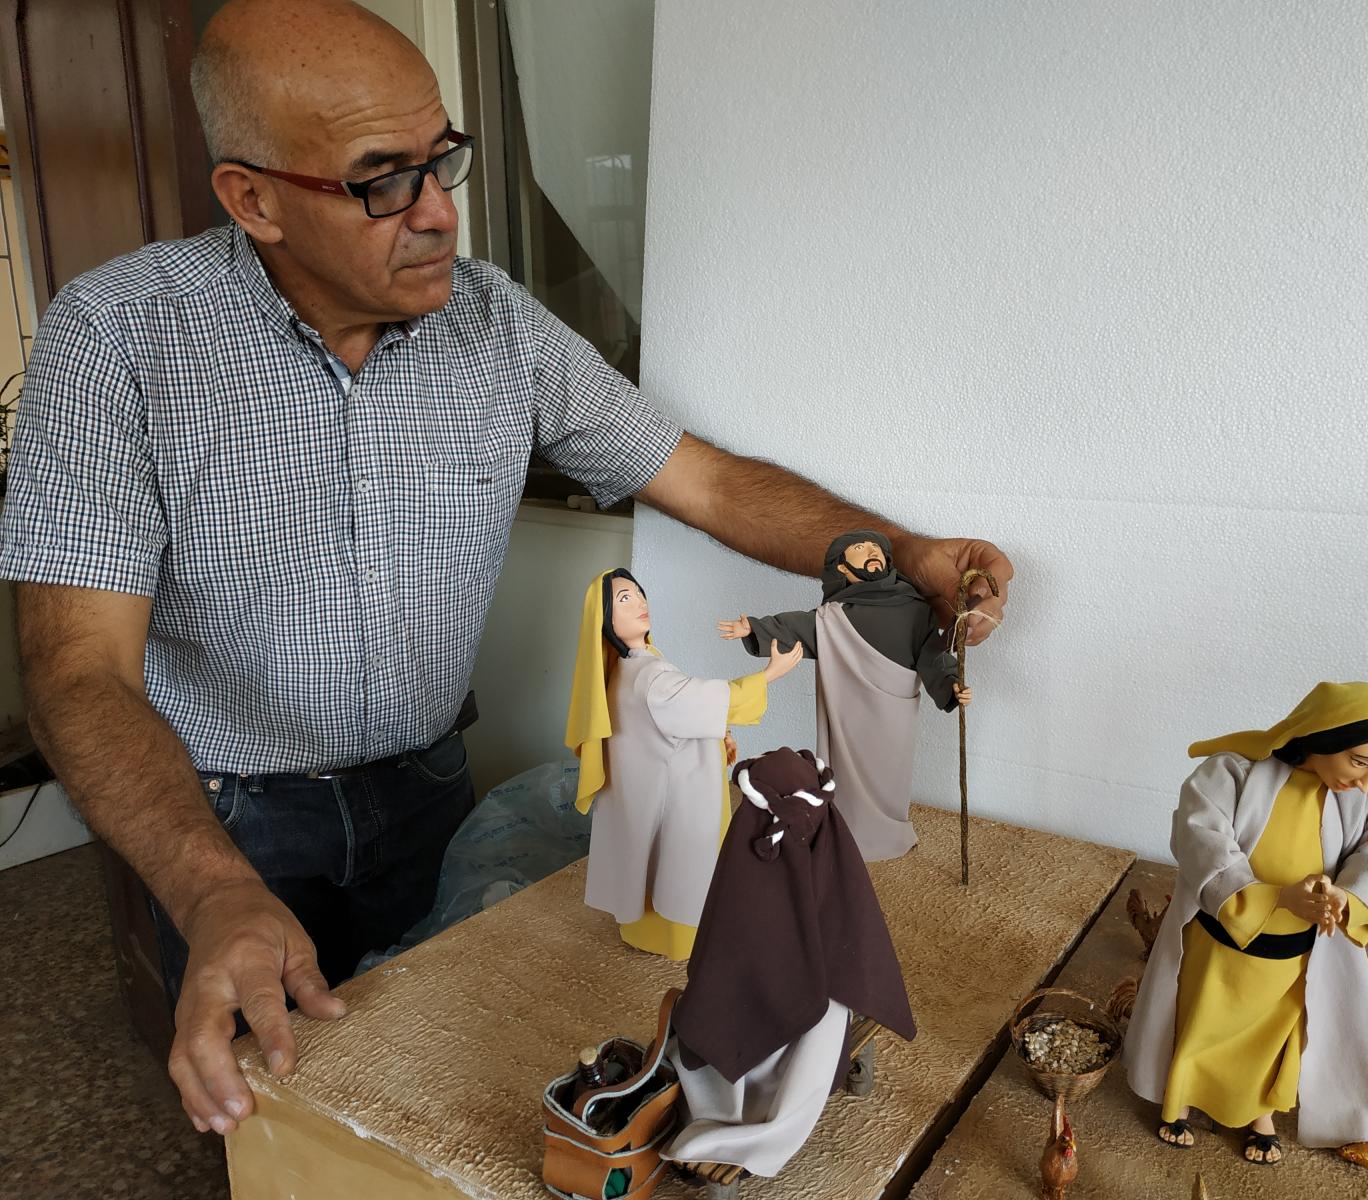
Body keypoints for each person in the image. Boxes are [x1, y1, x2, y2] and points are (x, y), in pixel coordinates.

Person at [0, 0, 1011, 1139]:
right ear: (254, 200)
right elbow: (79, 672)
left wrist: (902, 554)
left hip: (429, 788)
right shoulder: (118, 339)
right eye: (382, 180)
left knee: (436, 1091)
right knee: (277, 1117)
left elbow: (706, 482)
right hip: (224, 816)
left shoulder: (498, 328)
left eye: (441, 159)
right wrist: (210, 883)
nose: (439, 211)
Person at [1123, 682, 1368, 1167]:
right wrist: (1275, 896)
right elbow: (1201, 839)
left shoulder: (1366, 801)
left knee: (1274, 1036)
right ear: (1326, 733)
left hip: (1293, 952)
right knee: (1200, 1021)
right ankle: (1178, 1102)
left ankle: (1260, 1116)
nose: (1365, 781)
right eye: (1360, 762)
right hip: (1222, 939)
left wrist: (1345, 897)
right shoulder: (1233, 773)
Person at [666, 747, 916, 1176]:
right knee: (827, 1011)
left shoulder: (751, 845)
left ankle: (740, 1095)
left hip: (780, 1011)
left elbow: (717, 949)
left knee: (803, 1010)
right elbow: (855, 935)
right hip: (802, 1012)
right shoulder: (825, 835)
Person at [564, 568, 804, 959]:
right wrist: (769, 675)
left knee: (646, 856)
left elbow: (676, 717)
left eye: (639, 593)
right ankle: (676, 936)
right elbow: (704, 700)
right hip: (673, 795)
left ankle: (644, 926)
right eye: (624, 599)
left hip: (642, 789)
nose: (640, 603)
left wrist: (717, 735)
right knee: (679, 864)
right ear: (606, 619)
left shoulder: (624, 670)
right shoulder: (649, 676)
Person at [718, 530, 974, 860]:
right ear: (841, 567)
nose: (872, 551)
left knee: (891, 776)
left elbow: (932, 655)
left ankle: (888, 833)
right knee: (846, 777)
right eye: (860, 548)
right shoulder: (834, 617)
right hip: (848, 712)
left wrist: (952, 683)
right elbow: (797, 626)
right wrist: (754, 627)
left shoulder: (915, 609)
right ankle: (846, 834)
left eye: (876, 548)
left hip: (895, 713)